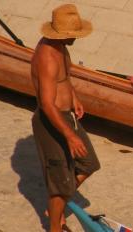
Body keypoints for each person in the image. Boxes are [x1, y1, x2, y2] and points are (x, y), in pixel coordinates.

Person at [31, 4, 100, 232]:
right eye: (73, 35)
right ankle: (54, 226)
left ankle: (56, 208)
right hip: (51, 121)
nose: (76, 39)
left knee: (89, 163)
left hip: (66, 115)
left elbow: (65, 79)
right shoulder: (47, 57)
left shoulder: (61, 47)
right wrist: (70, 135)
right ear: (62, 34)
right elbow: (47, 105)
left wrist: (74, 98)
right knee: (60, 182)